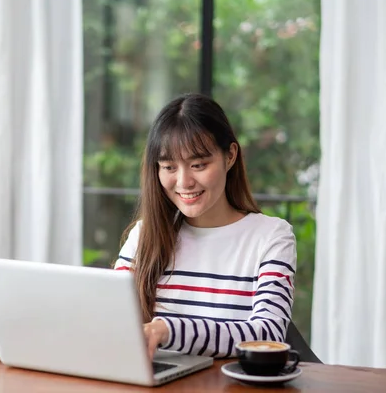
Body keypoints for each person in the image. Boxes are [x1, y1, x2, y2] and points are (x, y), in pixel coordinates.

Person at [113, 93, 297, 360]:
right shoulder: (144, 235)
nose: (184, 182)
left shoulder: (271, 237)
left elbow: (267, 334)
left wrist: (167, 331)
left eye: (198, 165)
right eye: (168, 167)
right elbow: (111, 320)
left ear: (230, 156)